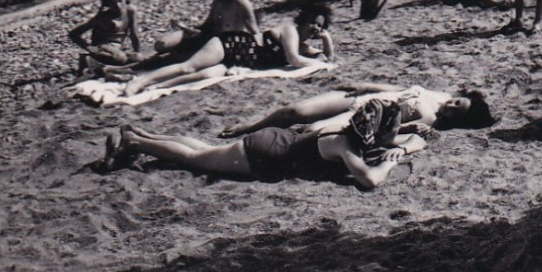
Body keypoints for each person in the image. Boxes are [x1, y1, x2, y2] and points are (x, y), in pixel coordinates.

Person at [103, 99, 419, 190]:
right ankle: (134, 143)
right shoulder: (345, 146)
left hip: (273, 143)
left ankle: (143, 136)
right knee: (193, 159)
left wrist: (401, 147)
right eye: (391, 131)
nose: (395, 134)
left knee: (201, 149)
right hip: (264, 156)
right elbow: (369, 180)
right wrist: (390, 161)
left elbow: (417, 139)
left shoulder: (347, 131)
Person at [121, 0, 262, 96]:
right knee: (161, 45)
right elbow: (207, 26)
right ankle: (132, 69)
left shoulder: (239, 1)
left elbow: (254, 30)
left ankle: (135, 73)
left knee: (174, 59)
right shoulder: (219, 0)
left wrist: (261, 52)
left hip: (220, 45)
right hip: (209, 38)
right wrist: (185, 28)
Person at [220, 82, 494, 139]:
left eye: (457, 109)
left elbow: (401, 128)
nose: (453, 104)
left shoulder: (431, 118)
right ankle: (249, 127)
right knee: (291, 111)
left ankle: (257, 142)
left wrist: (412, 128)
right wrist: (366, 85)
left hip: (364, 114)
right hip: (364, 97)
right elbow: (400, 89)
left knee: (311, 130)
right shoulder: (441, 94)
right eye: (458, 100)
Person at [69, 0, 140, 73]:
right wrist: (89, 47)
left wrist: (137, 52)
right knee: (121, 59)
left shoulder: (130, 11)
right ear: (108, 4)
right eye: (113, 3)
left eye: (120, 1)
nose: (118, 6)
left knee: (139, 58)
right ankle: (88, 58)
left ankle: (101, 62)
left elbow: (134, 35)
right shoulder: (103, 18)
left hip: (117, 49)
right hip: (102, 47)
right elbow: (73, 34)